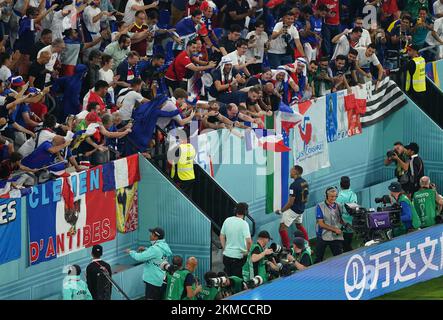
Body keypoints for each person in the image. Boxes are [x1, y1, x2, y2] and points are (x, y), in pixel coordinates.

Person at [125, 227, 172, 300]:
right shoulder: (164, 246)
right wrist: (146, 249)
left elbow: (139, 257)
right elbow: (158, 256)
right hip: (161, 279)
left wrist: (130, 252)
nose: (150, 235)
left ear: (156, 237)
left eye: (152, 234)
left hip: (153, 281)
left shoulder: (154, 249)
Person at [276, 165, 309, 249]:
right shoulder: (305, 182)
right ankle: (307, 246)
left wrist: (281, 211)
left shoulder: (293, 185)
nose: (290, 172)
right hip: (301, 209)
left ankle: (287, 249)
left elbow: (290, 202)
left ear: (295, 172)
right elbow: (306, 198)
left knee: (282, 228)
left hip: (293, 210)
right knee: (299, 226)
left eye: (291, 170)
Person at [219, 202, 252, 278]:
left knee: (228, 280)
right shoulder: (244, 224)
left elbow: (221, 236)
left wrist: (225, 248)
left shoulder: (227, 220)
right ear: (246, 212)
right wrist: (247, 251)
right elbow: (249, 241)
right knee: (237, 281)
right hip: (238, 257)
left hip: (227, 256)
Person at [314, 187, 344, 263]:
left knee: (339, 257)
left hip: (335, 235)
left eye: (335, 196)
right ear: (326, 196)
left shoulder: (339, 205)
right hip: (322, 235)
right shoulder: (320, 206)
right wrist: (335, 229)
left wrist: (346, 224)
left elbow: (340, 219)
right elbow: (321, 223)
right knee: (318, 258)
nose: (334, 198)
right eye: (331, 196)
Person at [335, 176, 357, 252]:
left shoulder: (338, 196)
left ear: (340, 184)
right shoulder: (353, 194)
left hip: (342, 225)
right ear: (349, 184)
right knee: (347, 244)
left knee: (344, 246)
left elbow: (336, 212)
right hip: (351, 223)